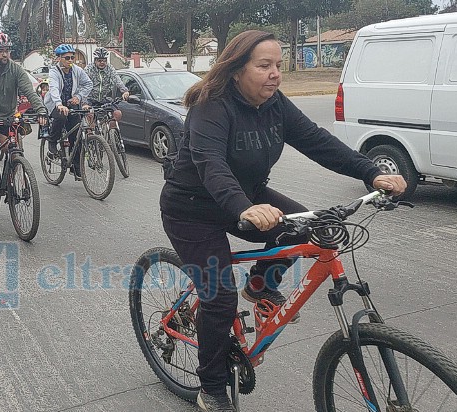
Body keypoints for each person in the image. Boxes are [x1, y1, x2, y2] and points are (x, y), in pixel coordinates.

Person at [159, 30, 407, 411]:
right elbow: (212, 164)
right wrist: (244, 207)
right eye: (264, 66)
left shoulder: (275, 105)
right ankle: (211, 388)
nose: (275, 73)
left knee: (310, 229)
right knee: (220, 296)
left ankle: (259, 286)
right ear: (237, 70)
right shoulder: (212, 107)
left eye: (278, 64)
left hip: (245, 196)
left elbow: (318, 141)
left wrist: (371, 172)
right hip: (192, 208)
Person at [0, 32, 48, 188]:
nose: (5, 54)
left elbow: (30, 91)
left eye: (7, 50)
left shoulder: (15, 69)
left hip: (7, 116)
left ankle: (12, 175)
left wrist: (41, 110)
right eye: (0, 51)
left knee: (13, 147)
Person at [43, 43, 92, 180]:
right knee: (61, 117)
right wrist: (59, 104)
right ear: (59, 58)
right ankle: (52, 141)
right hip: (56, 104)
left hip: (71, 104)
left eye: (72, 57)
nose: (70, 60)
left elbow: (88, 84)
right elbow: (53, 88)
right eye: (67, 58)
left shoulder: (77, 70)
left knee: (77, 135)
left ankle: (76, 167)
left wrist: (79, 97)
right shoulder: (54, 72)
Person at [83, 47, 129, 125]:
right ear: (95, 60)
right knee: (90, 116)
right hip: (90, 99)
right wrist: (84, 103)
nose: (102, 63)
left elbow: (117, 79)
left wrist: (124, 91)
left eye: (104, 60)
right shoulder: (89, 69)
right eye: (99, 60)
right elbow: (83, 85)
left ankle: (111, 131)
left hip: (104, 99)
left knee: (118, 114)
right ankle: (91, 132)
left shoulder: (110, 68)